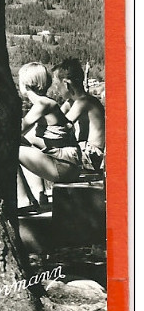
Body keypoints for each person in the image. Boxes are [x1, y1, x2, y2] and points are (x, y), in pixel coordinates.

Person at [16, 62, 80, 210]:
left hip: (64, 166)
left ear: (26, 84)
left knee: (10, 149)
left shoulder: (43, 105)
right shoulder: (46, 104)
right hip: (69, 164)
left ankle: (24, 201)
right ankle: (40, 194)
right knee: (23, 142)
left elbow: (17, 131)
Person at [53, 58, 106, 174]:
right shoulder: (74, 102)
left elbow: (58, 127)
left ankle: (39, 191)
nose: (56, 89)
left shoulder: (83, 102)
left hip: (91, 157)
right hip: (86, 155)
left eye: (57, 84)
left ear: (66, 84)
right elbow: (55, 118)